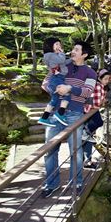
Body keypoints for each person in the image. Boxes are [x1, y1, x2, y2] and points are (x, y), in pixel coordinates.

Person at [41, 41, 97, 198]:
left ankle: (77, 182)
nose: (72, 51)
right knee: (49, 150)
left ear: (84, 54)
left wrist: (70, 88)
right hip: (54, 114)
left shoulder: (90, 72)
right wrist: (54, 88)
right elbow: (46, 83)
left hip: (74, 115)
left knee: (76, 152)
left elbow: (87, 92)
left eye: (76, 49)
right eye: (72, 48)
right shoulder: (62, 64)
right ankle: (52, 184)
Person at [38, 38, 72, 127]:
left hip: (56, 79)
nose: (59, 46)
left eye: (60, 44)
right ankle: (60, 113)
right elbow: (61, 60)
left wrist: (72, 59)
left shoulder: (55, 56)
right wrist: (62, 52)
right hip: (56, 79)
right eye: (56, 44)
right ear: (50, 45)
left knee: (54, 100)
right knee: (67, 94)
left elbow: (63, 62)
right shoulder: (50, 55)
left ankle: (44, 118)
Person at [82, 69, 110, 168]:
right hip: (91, 110)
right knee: (98, 122)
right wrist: (98, 105)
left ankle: (87, 161)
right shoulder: (97, 86)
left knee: (88, 139)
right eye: (105, 79)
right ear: (99, 78)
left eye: (108, 79)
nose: (107, 81)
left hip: (92, 110)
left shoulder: (101, 86)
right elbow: (94, 99)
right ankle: (85, 132)